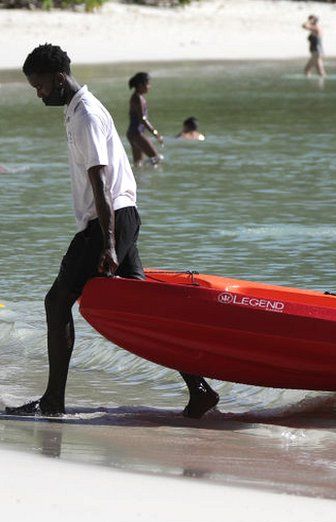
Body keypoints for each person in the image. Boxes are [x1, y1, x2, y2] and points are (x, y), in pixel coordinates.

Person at [6, 44, 220, 418]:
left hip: (109, 222)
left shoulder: (85, 113)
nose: (38, 94)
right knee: (144, 309)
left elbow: (99, 182)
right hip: (122, 217)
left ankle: (53, 402)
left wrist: (106, 243)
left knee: (56, 303)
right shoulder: (77, 108)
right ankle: (199, 389)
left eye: (39, 86)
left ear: (57, 80)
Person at [125, 72, 164, 166]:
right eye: (148, 84)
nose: (149, 86)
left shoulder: (137, 97)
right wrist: (156, 133)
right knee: (156, 158)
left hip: (132, 133)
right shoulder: (137, 98)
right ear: (140, 85)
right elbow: (143, 119)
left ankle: (139, 179)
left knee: (138, 164)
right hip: (136, 134)